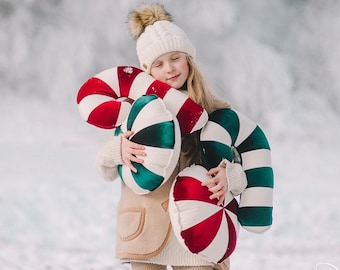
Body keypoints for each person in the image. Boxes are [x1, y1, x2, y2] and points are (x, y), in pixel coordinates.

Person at [95, 4, 247, 270]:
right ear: (147, 70)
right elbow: (105, 170)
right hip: (145, 228)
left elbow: (242, 167)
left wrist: (230, 175)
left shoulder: (215, 111)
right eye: (158, 64)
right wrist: (115, 151)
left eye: (175, 57)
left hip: (199, 227)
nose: (169, 69)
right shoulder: (133, 110)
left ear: (189, 58)